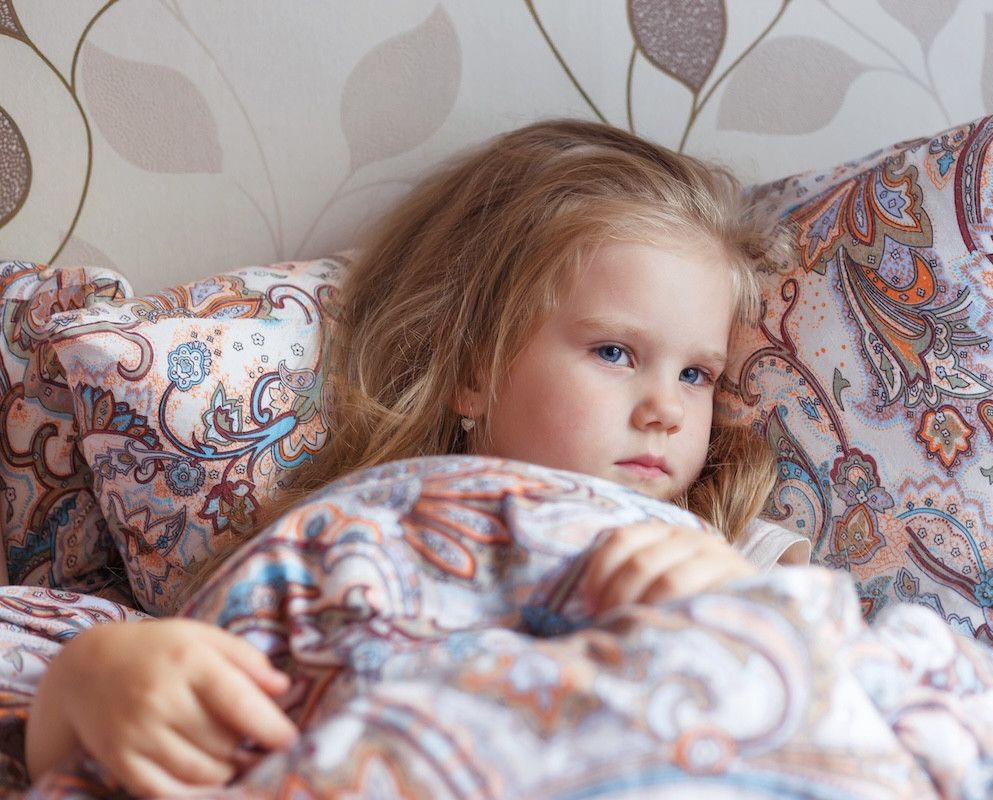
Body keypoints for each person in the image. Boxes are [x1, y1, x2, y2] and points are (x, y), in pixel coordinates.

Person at [24, 119, 801, 795]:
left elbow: (831, 710)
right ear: (473, 371)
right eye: (614, 352)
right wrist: (91, 684)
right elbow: (177, 722)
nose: (667, 408)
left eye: (696, 374)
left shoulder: (732, 551)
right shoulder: (353, 538)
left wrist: (739, 615)